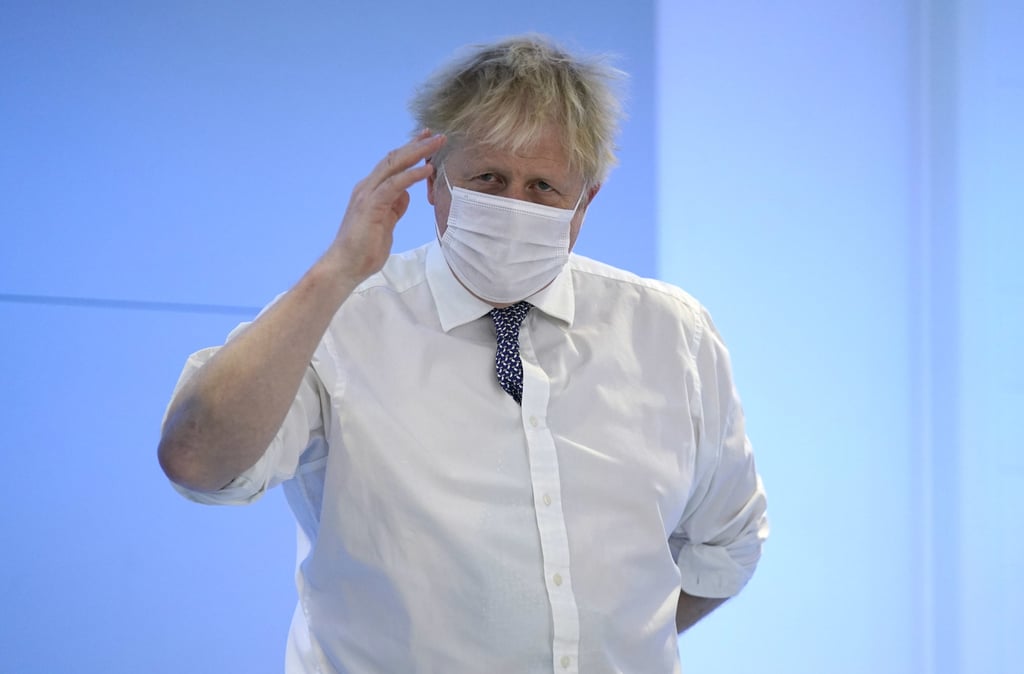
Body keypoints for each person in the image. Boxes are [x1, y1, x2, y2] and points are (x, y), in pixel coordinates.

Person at [159, 34, 768, 674]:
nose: (513, 206)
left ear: (585, 202)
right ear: (433, 181)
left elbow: (725, 546)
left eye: (542, 187)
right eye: (488, 179)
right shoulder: (339, 323)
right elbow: (196, 461)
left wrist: (611, 641)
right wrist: (338, 270)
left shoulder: (671, 334)